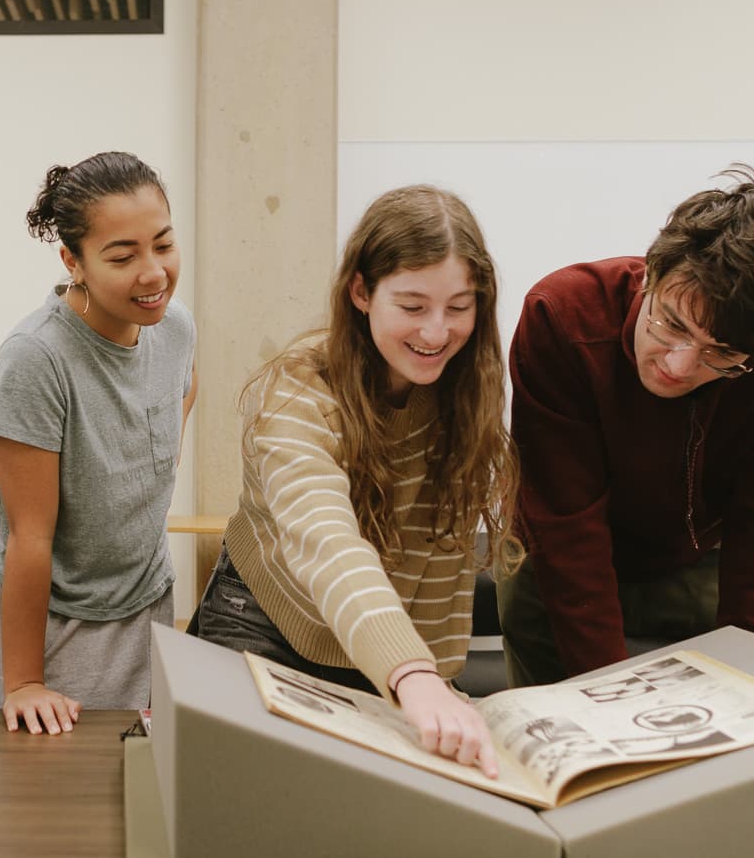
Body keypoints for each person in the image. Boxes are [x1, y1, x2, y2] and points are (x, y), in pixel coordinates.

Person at [191, 185, 517, 772]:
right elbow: (327, 540)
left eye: (459, 307)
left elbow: (438, 568)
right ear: (361, 292)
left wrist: (434, 681)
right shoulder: (299, 388)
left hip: (386, 657)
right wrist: (414, 676)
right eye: (413, 307)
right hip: (267, 628)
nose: (437, 332)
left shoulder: (468, 390)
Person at [502, 165, 754, 686]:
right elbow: (566, 522)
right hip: (557, 562)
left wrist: (749, 695)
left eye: (722, 354)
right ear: (651, 274)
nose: (679, 366)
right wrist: (605, 698)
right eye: (671, 324)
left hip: (701, 560)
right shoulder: (564, 316)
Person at [0, 152, 197, 733]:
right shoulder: (36, 359)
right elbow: (29, 537)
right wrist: (25, 682)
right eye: (123, 256)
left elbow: (182, 389)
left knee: (143, 784)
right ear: (73, 261)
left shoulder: (175, 328)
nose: (153, 273)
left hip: (148, 604)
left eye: (164, 244)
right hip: (59, 626)